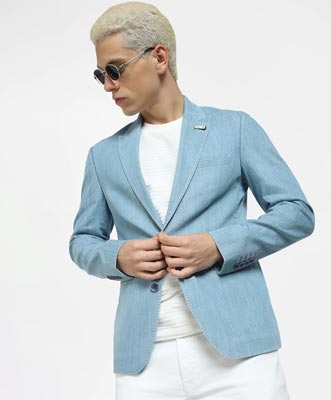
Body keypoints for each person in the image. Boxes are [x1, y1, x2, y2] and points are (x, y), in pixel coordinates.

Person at [69, 2, 315, 399]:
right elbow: (82, 241)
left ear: (159, 57)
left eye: (115, 70)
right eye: (101, 75)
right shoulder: (103, 156)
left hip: (239, 355)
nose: (108, 86)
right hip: (145, 362)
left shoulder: (234, 129)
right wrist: (118, 257)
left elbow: (296, 213)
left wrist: (218, 245)